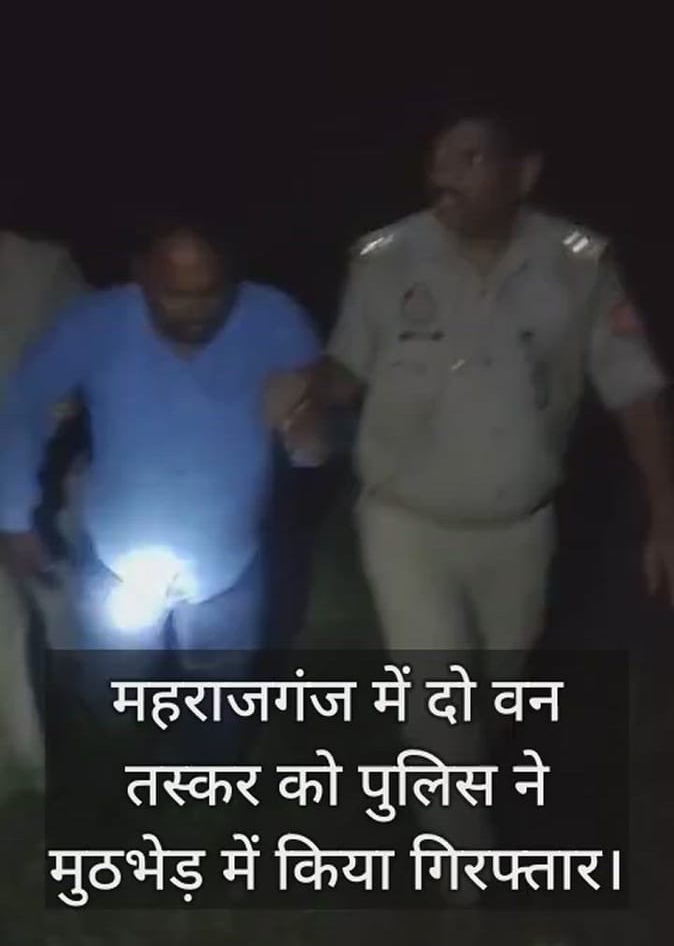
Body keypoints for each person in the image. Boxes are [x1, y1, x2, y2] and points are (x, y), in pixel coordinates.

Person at [270, 100, 674, 882]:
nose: (442, 176)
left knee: (496, 690)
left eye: (469, 159)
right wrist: (308, 391)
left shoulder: (580, 262)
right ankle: (465, 881)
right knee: (438, 698)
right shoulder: (384, 256)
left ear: (525, 173)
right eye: (436, 160)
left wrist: (664, 507)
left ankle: (454, 789)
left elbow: (632, 385)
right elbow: (349, 365)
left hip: (519, 526)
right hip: (405, 520)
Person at [0, 215, 323, 732]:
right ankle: (113, 758)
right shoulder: (95, 324)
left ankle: (207, 771)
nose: (194, 312)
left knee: (221, 697)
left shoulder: (275, 319)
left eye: (210, 294)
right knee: (113, 691)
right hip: (118, 555)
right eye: (174, 295)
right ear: (141, 275)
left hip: (228, 559)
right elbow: (24, 407)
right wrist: (14, 517)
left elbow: (321, 428)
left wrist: (309, 431)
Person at [0, 226, 86, 796]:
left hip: (41, 474)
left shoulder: (42, 269)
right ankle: (26, 763)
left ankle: (87, 732)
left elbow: (77, 379)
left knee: (63, 611)